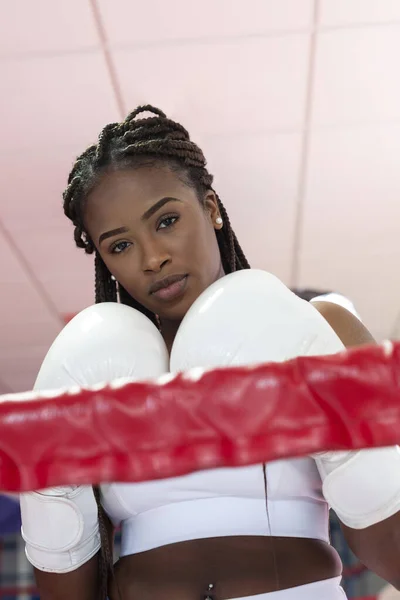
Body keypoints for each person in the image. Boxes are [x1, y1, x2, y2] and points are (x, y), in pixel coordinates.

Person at [19, 105, 400, 600]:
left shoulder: (320, 327)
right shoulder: (92, 369)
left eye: (167, 220)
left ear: (212, 207)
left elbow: (390, 545)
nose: (153, 258)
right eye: (120, 246)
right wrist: (49, 492)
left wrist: (351, 439)